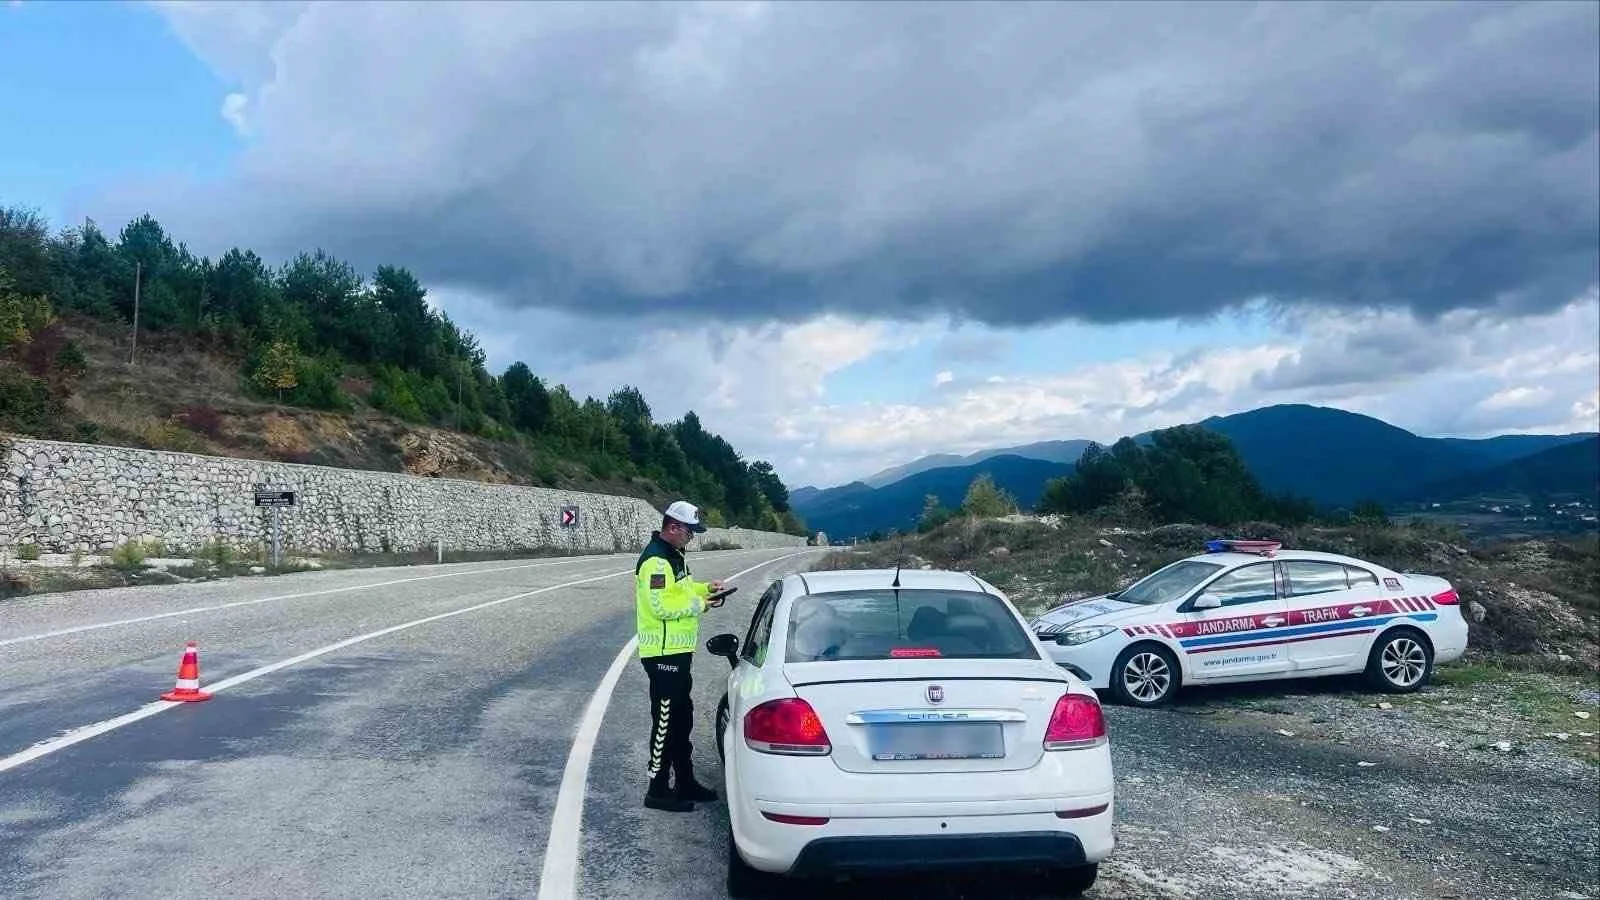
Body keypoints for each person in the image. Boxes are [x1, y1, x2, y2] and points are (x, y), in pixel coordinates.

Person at [635, 499, 728, 812]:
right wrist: (701, 605)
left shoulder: (674, 556)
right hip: (662, 655)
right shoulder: (655, 563)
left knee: (681, 719)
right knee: (665, 722)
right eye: (690, 531)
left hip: (678, 653)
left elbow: (683, 592)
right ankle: (657, 789)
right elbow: (660, 607)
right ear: (672, 527)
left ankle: (685, 780)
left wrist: (705, 590)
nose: (693, 536)